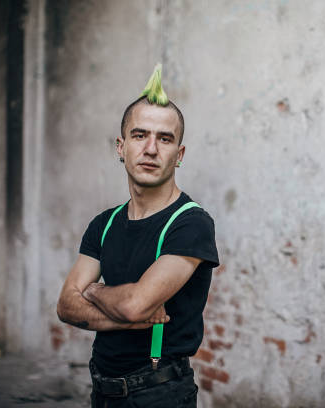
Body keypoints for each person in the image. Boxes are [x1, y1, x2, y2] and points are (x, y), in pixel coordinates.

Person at [57, 65, 219, 408]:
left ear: (180, 155)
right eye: (139, 135)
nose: (150, 149)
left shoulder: (191, 224)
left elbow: (135, 305)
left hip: (159, 394)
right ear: (121, 147)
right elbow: (66, 305)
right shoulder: (104, 223)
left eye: (164, 138)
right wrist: (130, 319)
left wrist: (95, 290)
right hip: (102, 390)